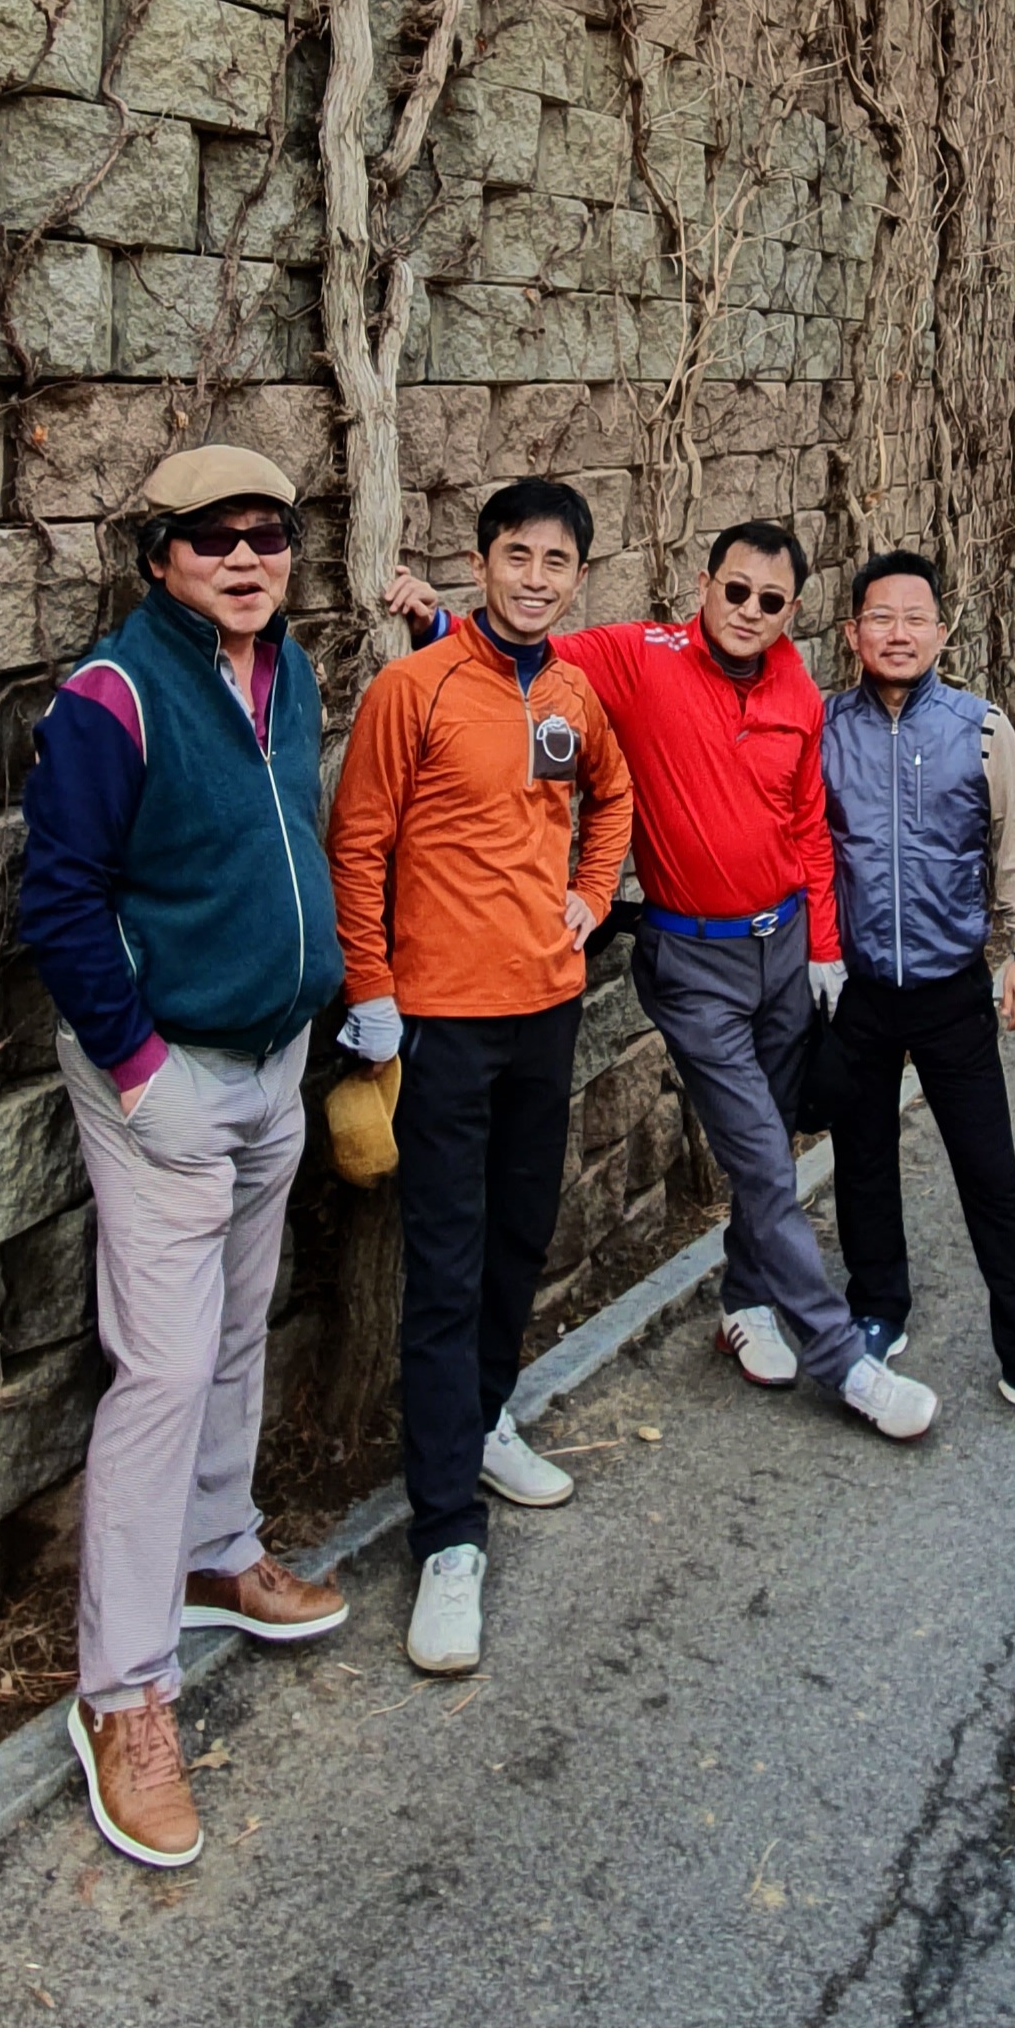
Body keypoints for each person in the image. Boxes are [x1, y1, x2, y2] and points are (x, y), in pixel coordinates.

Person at [386, 523, 939, 1443]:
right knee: (760, 1157)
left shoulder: (797, 689)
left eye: (770, 601)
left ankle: (746, 1299)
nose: (749, 611)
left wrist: (823, 948)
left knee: (772, 1137)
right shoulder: (641, 656)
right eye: (736, 590)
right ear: (704, 582)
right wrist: (437, 621)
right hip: (694, 963)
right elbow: (528, 650)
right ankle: (844, 1359)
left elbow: (808, 824)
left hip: (782, 949)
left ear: (793, 611)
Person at [18, 446, 350, 1873]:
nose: (247, 555)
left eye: (268, 532)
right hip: (164, 1075)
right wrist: (140, 1067)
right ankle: (124, 1692)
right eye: (214, 536)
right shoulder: (117, 692)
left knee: (237, 1322)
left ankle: (219, 1545)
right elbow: (61, 897)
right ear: (160, 555)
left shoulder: (292, 675)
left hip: (273, 1060)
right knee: (159, 1369)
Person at [331, 479, 633, 1680]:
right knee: (447, 1268)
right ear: (482, 559)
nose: (536, 578)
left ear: (577, 577)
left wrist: (593, 895)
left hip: (546, 1008)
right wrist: (370, 989)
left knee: (520, 1235)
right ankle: (447, 1535)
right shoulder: (414, 689)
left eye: (557, 562)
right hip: (440, 1021)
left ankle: (487, 1413)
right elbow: (358, 841)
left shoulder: (573, 695)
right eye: (518, 555)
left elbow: (612, 795)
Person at [819, 550, 1015, 1439]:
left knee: (990, 1171)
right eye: (880, 617)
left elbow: (1014, 845)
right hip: (860, 990)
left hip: (951, 990)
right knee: (862, 1161)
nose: (896, 633)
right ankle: (877, 1307)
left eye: (914, 618)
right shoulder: (825, 728)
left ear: (942, 631)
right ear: (853, 631)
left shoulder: (981, 729)